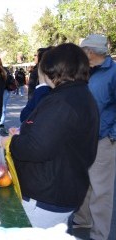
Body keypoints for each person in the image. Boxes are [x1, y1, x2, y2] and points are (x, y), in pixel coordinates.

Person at [2, 43, 99, 229]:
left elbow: (35, 148)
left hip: (47, 196)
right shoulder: (79, 95)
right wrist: (26, 133)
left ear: (51, 69)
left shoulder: (62, 101)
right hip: (62, 190)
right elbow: (56, 137)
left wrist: (11, 142)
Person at [73, 34, 116, 240]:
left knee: (101, 190)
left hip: (102, 139)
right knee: (83, 181)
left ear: (90, 52)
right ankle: (83, 220)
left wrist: (112, 135)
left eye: (82, 50)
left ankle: (99, 234)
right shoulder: (84, 71)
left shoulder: (114, 72)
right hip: (82, 138)